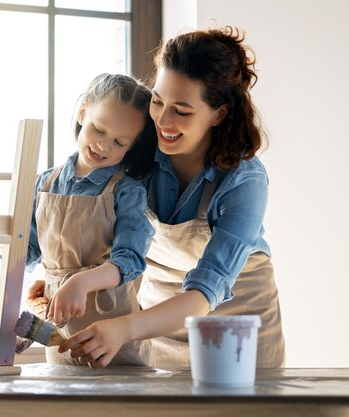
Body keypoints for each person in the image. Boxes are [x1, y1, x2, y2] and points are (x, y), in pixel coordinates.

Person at [58, 27, 286, 369]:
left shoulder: (244, 181)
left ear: (219, 114)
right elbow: (82, 198)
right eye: (158, 101)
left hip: (237, 331)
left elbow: (204, 294)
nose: (163, 120)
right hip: (153, 324)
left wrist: (124, 328)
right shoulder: (138, 151)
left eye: (181, 110)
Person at [0, 73, 156, 365]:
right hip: (59, 343)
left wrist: (79, 283)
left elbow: (129, 261)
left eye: (119, 142)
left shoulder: (127, 192)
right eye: (99, 129)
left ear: (132, 146)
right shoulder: (46, 183)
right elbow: (24, 253)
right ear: (82, 112)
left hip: (115, 344)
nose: (104, 146)